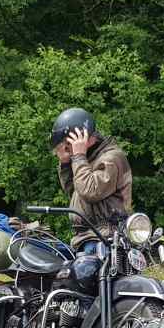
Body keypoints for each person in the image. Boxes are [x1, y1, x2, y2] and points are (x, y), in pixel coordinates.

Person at [50, 108, 133, 255]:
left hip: (104, 237)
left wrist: (78, 156)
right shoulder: (89, 157)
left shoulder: (111, 158)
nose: (67, 148)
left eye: (68, 143)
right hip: (86, 237)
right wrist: (65, 164)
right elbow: (74, 191)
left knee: (86, 269)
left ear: (80, 137)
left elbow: (90, 191)